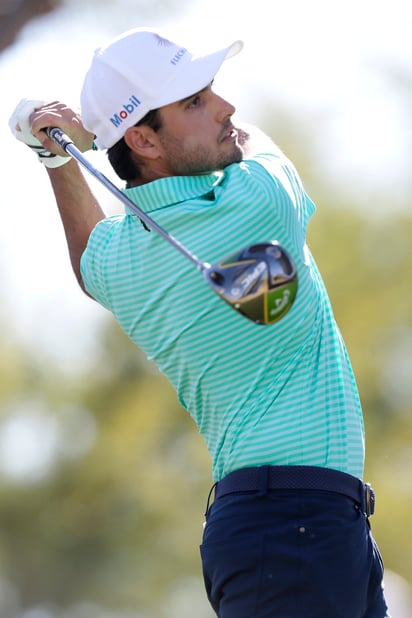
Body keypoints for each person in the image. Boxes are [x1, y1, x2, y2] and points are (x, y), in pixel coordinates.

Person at [9, 27, 390, 618]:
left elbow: (86, 260)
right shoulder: (260, 198)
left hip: (296, 530)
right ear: (142, 138)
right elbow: (248, 139)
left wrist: (58, 153)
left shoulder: (119, 261)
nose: (226, 106)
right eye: (194, 101)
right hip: (293, 530)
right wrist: (75, 142)